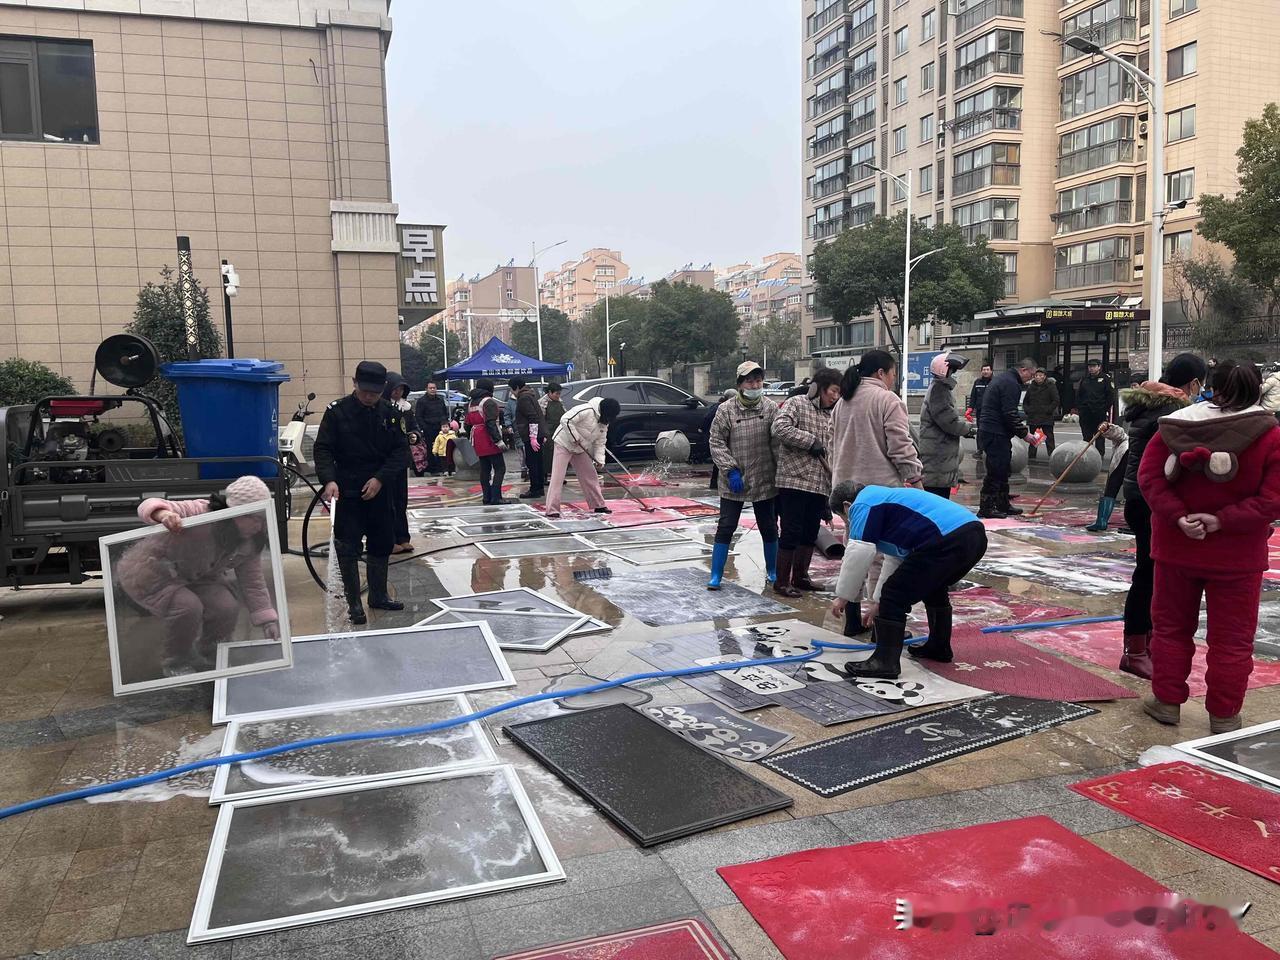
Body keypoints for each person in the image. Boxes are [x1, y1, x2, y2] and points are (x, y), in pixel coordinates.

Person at [1138, 362, 1280, 733]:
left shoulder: (1175, 425)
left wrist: (1179, 517)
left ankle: (1167, 701)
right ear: (1257, 388)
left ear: (1209, 386)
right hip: (1237, 555)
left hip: (1175, 548)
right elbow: (1273, 497)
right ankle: (1224, 713)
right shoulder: (1269, 433)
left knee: (1170, 628)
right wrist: (1223, 520)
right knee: (1232, 639)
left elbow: (1150, 477)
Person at [120, 476, 280, 675]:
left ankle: (212, 652)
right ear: (232, 511)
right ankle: (175, 661)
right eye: (251, 517)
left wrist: (268, 620)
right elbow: (148, 505)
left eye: (261, 518)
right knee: (187, 607)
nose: (257, 525)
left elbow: (253, 582)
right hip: (152, 571)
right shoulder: (203, 513)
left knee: (226, 606)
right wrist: (164, 515)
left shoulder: (249, 541)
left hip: (195, 577)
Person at [828, 481, 988, 680]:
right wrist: (878, 603)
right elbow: (897, 558)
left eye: (845, 519)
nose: (847, 524)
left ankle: (885, 662)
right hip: (973, 535)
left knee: (894, 595)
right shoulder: (887, 499)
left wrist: (842, 597)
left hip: (947, 537)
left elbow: (858, 551)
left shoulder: (863, 504)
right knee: (933, 588)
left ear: (846, 506)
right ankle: (939, 647)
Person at [1115, 354, 1206, 678]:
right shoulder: (1173, 410)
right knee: (1150, 574)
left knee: (1153, 573)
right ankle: (1136, 650)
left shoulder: (1151, 403)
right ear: (1194, 383)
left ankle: (1146, 643)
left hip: (1139, 497)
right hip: (1151, 499)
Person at [314, 360, 409, 624]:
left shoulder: (391, 414)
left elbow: (402, 452)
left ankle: (378, 595)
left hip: (380, 490)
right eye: (365, 391)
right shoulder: (336, 412)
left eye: (375, 393)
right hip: (347, 490)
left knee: (381, 543)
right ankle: (354, 603)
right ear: (354, 384)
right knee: (347, 547)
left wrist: (380, 479)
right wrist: (328, 480)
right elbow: (323, 449)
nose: (369, 397)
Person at [770, 367, 842, 597]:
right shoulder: (797, 404)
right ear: (819, 388)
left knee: (810, 532)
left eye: (839, 393)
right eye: (833, 391)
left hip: (819, 483)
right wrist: (809, 441)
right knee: (791, 530)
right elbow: (779, 428)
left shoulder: (833, 413)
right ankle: (782, 581)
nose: (835, 396)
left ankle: (801, 577)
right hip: (794, 480)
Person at [708, 360, 779, 589]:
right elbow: (716, 442)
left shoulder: (770, 408)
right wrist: (730, 470)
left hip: (764, 476)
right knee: (726, 526)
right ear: (740, 384)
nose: (754, 384)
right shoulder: (726, 410)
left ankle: (773, 570)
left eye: (758, 380)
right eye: (750, 380)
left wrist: (780, 472)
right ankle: (716, 574)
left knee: (768, 526)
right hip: (734, 479)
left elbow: (777, 442)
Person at [830, 349, 923, 491]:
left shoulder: (842, 402)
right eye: (893, 374)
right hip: (879, 489)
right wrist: (915, 480)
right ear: (881, 373)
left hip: (843, 489)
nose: (894, 379)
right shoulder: (888, 399)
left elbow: (831, 445)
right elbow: (900, 446)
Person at [977, 357, 1037, 519]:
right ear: (1023, 370)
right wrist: (1025, 434)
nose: (1030, 380)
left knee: (1003, 469)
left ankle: (1002, 503)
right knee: (996, 469)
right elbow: (1009, 413)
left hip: (996, 430)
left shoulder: (1005, 379)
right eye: (1030, 375)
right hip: (995, 431)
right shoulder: (1010, 383)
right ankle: (987, 507)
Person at [544, 397, 621, 518]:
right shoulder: (586, 410)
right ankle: (552, 509)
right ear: (604, 411)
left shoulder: (604, 423)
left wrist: (600, 460)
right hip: (563, 443)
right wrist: (574, 437)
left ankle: (598, 504)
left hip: (581, 448)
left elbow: (600, 443)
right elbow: (566, 419)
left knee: (590, 475)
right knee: (557, 477)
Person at [919, 352, 975, 500]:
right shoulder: (939, 390)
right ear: (944, 370)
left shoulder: (940, 388)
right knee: (937, 498)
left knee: (937, 496)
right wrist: (969, 428)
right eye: (952, 370)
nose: (954, 373)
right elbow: (949, 422)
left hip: (938, 453)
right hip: (938, 454)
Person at [381, 372, 417, 554]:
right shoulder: (382, 408)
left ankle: (403, 537)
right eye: (395, 388)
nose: (398, 392)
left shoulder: (406, 408)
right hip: (386, 461)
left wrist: (414, 436)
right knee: (388, 502)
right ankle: (390, 540)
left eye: (401, 389)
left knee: (401, 500)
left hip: (402, 459)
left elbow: (414, 428)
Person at [465, 379, 508, 506]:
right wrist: (498, 440)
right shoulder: (488, 402)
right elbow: (490, 423)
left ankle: (486, 496)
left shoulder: (471, 403)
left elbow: (467, 424)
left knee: (485, 469)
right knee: (500, 468)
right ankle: (496, 497)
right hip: (488, 438)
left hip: (477, 438)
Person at [1085, 422, 1129, 531]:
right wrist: (1108, 427)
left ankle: (1101, 521)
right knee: (1113, 487)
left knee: (1117, 489)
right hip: (1126, 455)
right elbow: (1121, 435)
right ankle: (1101, 521)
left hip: (1134, 457)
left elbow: (1121, 435)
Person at [510, 376, 548, 499]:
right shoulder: (530, 395)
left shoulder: (523, 398)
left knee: (533, 463)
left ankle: (535, 489)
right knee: (537, 462)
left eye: (511, 389)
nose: (511, 392)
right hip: (538, 434)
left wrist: (532, 437)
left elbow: (532, 417)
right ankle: (539, 488)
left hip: (533, 435)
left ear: (516, 387)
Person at [1074, 359, 1116, 456]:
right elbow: (1079, 395)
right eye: (1089, 366)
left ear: (1099, 367)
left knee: (1100, 437)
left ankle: (1099, 456)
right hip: (1086, 413)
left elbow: (1110, 396)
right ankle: (1087, 456)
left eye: (1093, 366)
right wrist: (1080, 408)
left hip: (1099, 413)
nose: (1091, 368)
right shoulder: (1085, 379)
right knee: (1086, 437)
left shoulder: (1105, 379)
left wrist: (1104, 408)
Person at [703, 388, 736, 490]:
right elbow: (707, 419)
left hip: (724, 438)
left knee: (718, 464)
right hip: (716, 437)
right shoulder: (719, 408)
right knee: (718, 463)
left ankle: (714, 485)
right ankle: (714, 485)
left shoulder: (724, 407)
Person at [414, 382, 450, 476]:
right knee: (431, 449)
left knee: (442, 448)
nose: (433, 390)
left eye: (434, 388)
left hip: (441, 428)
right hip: (429, 428)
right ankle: (433, 469)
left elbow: (445, 412)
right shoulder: (422, 401)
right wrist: (424, 427)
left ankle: (443, 467)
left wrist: (445, 423)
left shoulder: (440, 400)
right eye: (431, 388)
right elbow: (418, 416)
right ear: (426, 389)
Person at [1023, 368, 1059, 459]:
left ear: (1045, 376)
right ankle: (1032, 456)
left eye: (1040, 375)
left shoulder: (1050, 386)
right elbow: (1026, 401)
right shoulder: (1031, 387)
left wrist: (1049, 410)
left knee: (1049, 437)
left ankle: (1052, 456)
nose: (1038, 377)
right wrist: (1028, 410)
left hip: (1046, 416)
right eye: (1036, 376)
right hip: (1033, 416)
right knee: (1034, 438)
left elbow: (1055, 400)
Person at [541, 383, 565, 477]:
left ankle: (559, 477)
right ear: (550, 392)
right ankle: (544, 477)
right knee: (547, 457)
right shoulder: (543, 402)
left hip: (559, 432)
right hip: (548, 432)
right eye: (556, 394)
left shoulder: (560, 401)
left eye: (559, 394)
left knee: (559, 456)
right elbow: (541, 419)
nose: (558, 396)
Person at [966, 362, 994, 440]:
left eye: (987, 370)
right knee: (980, 429)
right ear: (981, 371)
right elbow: (973, 396)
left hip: (992, 411)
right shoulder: (977, 382)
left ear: (991, 371)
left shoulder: (995, 382)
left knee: (991, 429)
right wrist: (970, 408)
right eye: (984, 370)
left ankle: (990, 448)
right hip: (980, 411)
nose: (985, 371)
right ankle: (980, 449)